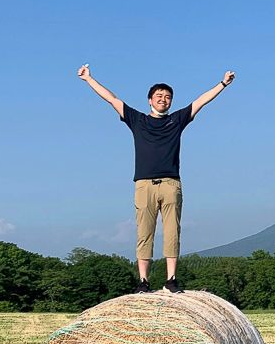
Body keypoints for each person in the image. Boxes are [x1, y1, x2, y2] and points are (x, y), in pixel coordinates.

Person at [77, 64, 235, 293]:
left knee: (172, 231)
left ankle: (171, 279)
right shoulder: (137, 120)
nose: (163, 99)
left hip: (171, 184)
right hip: (144, 184)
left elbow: (201, 101)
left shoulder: (177, 120)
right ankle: (143, 281)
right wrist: (89, 79)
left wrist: (222, 84)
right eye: (159, 96)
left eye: (167, 97)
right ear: (150, 100)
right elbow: (111, 99)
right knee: (144, 233)